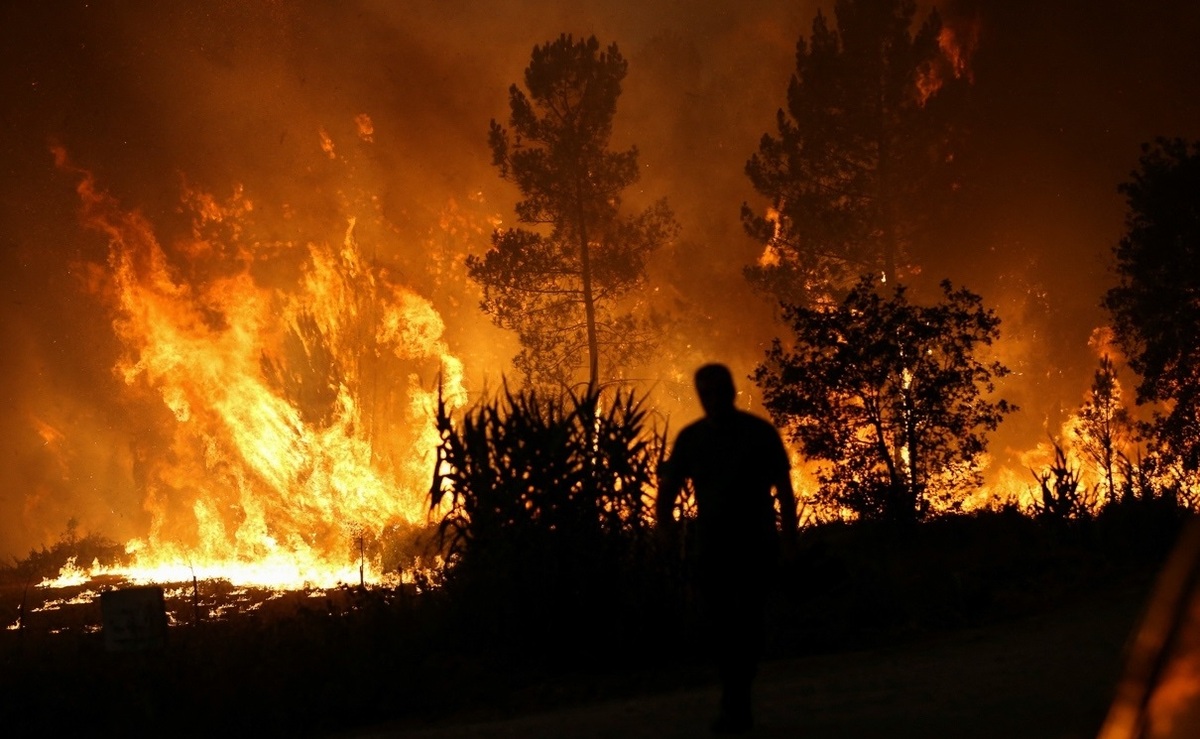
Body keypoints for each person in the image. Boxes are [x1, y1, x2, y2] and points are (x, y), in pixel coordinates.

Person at [657, 363, 798, 735]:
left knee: (749, 624)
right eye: (708, 394)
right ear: (701, 397)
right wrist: (667, 536)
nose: (715, 400)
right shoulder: (692, 439)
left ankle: (736, 699)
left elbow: (784, 491)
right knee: (721, 625)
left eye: (721, 391)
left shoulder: (758, 433)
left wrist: (788, 543)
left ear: (732, 391)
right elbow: (667, 493)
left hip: (755, 543)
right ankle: (735, 698)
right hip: (714, 547)